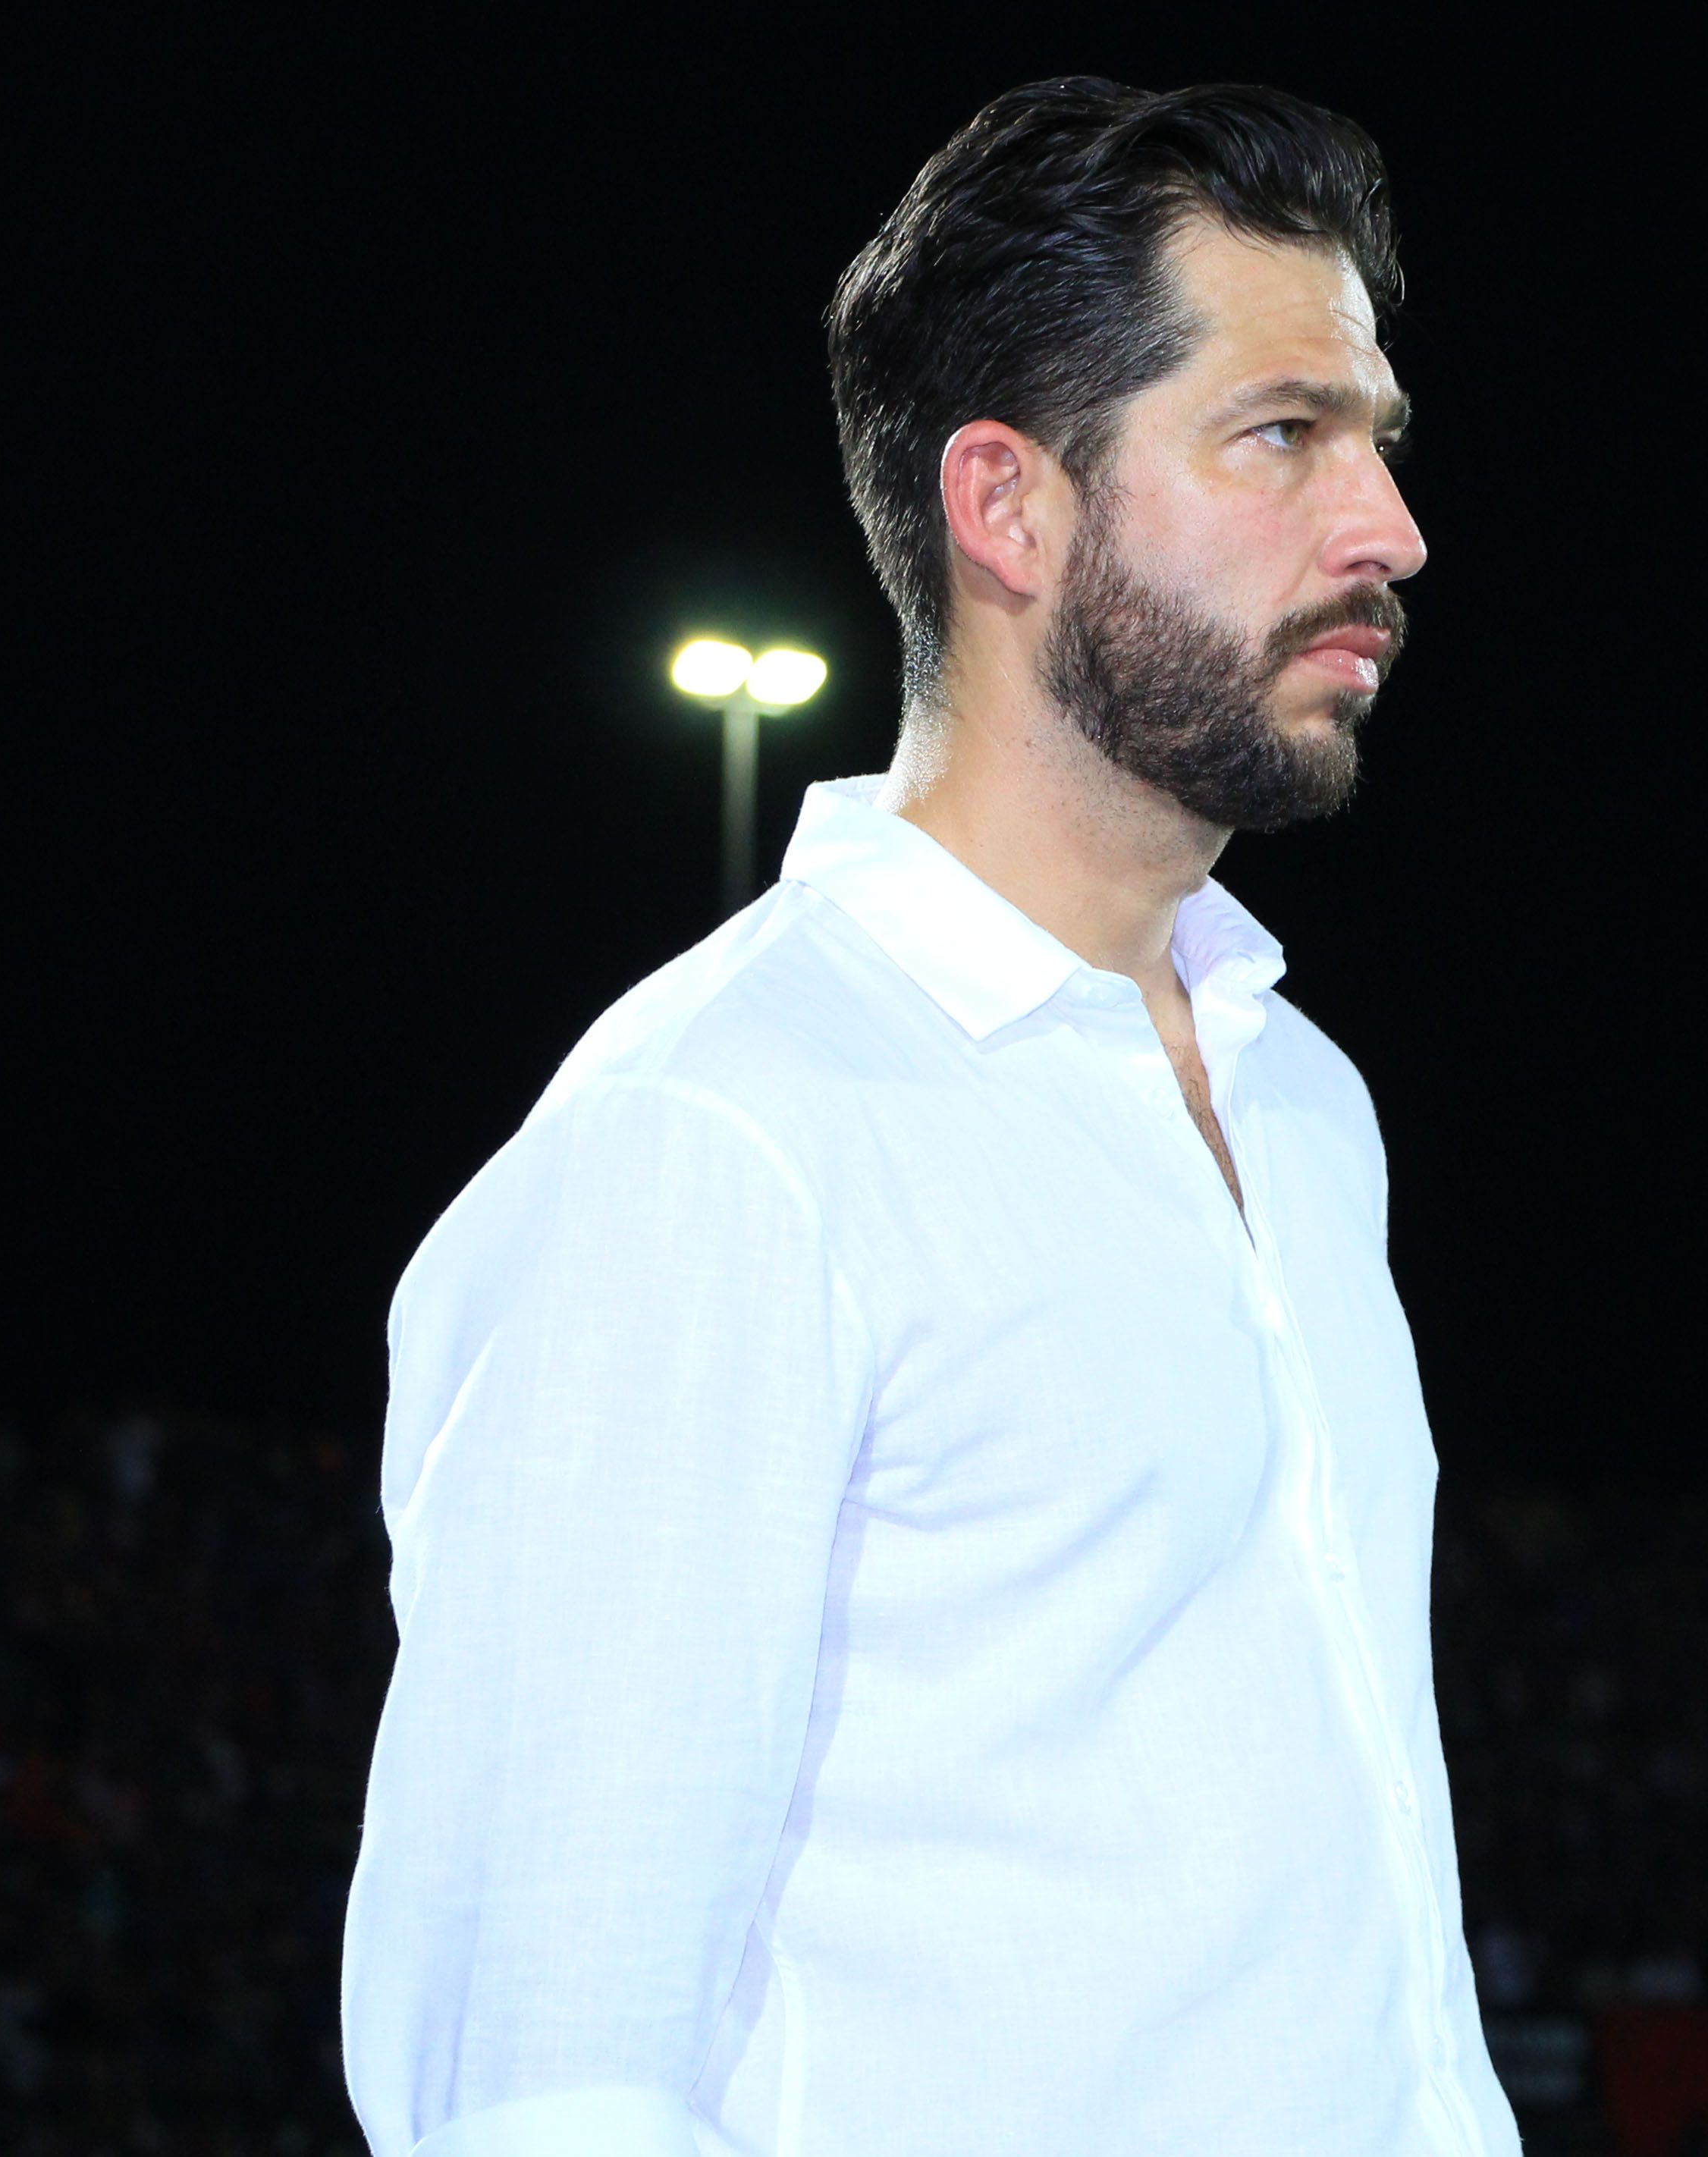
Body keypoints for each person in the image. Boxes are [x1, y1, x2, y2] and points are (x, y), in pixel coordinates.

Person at [339, 80, 1521, 2157]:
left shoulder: (1302, 1101)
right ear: (1010, 507)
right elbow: (541, 2073)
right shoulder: (722, 1133)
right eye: (1281, 436)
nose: (1388, 533)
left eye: (1381, 443)